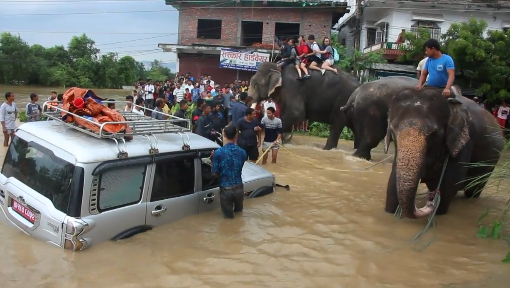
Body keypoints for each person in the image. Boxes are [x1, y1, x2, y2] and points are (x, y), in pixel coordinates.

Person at [211, 125, 247, 219]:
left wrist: (212, 160)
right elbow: (238, 166)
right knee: (239, 214)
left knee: (228, 219)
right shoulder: (243, 152)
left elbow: (214, 173)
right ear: (236, 136)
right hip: (239, 188)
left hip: (226, 190)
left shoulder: (218, 153)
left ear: (224, 135)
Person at [416, 39, 459, 103]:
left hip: (443, 88)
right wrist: (420, 84)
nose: (426, 52)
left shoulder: (447, 59)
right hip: (430, 87)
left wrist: (447, 88)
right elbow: (424, 74)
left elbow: (451, 75)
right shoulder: (429, 60)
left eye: (427, 50)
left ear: (433, 49)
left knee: (452, 98)